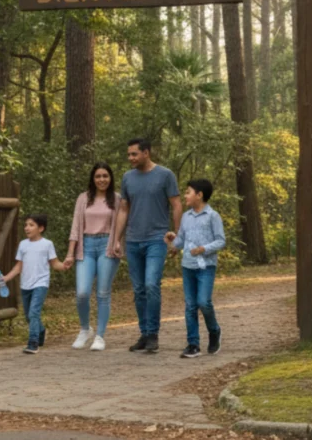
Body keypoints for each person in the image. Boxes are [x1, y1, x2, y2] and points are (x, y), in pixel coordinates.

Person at [113, 137, 181, 353]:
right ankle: (144, 333)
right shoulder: (127, 178)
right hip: (133, 240)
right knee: (139, 289)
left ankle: (153, 334)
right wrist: (116, 238)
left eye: (134, 154)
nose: (130, 158)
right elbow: (123, 209)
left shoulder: (165, 175)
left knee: (152, 285)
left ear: (146, 153)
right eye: (129, 155)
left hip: (157, 239)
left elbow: (176, 205)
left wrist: (177, 236)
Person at [64, 162, 121, 352]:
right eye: (98, 176)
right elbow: (75, 227)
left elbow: (122, 225)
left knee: (103, 293)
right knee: (82, 293)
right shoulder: (83, 198)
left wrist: (119, 242)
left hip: (107, 246)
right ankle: (85, 329)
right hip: (85, 246)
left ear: (110, 178)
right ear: (93, 179)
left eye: (105, 176)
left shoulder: (117, 199)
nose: (102, 179)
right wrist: (70, 253)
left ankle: (100, 336)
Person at [165, 178, 224, 358]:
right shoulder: (186, 217)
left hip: (206, 266)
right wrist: (172, 241)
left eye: (188, 192)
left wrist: (204, 249)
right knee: (190, 305)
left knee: (203, 302)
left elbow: (221, 241)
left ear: (200, 195)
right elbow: (181, 241)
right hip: (188, 266)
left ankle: (214, 331)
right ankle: (193, 344)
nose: (185, 195)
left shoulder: (213, 216)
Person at [0, 214, 66, 354]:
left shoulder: (47, 244)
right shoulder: (23, 244)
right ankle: (41, 331)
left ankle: (33, 343)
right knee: (28, 316)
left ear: (41, 228)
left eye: (31, 225)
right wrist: (6, 278)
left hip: (40, 284)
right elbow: (19, 266)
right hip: (25, 285)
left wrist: (65, 265)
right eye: (26, 225)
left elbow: (55, 264)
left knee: (33, 313)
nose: (27, 228)